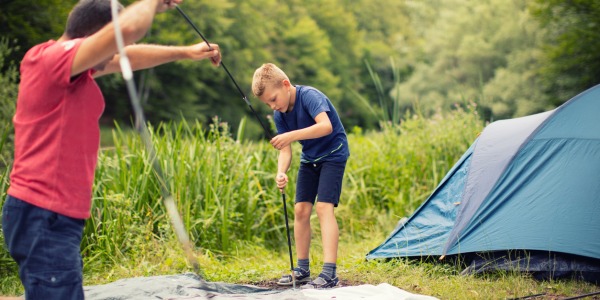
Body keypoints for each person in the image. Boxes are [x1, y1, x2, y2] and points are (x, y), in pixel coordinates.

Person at [1, 0, 221, 299]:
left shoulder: (70, 66)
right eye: (110, 44)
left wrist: (185, 52)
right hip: (44, 213)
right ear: (95, 37)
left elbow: (126, 56)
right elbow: (129, 30)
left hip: (50, 215)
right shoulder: (51, 59)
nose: (114, 56)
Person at [251, 63, 350, 289]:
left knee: (324, 208)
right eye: (267, 103)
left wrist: (292, 136)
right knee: (301, 209)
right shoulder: (280, 115)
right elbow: (285, 150)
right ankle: (302, 269)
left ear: (286, 85)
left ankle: (329, 273)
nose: (272, 106)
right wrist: (281, 171)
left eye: (274, 99)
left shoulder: (310, 97)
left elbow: (325, 126)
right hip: (310, 158)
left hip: (333, 154)